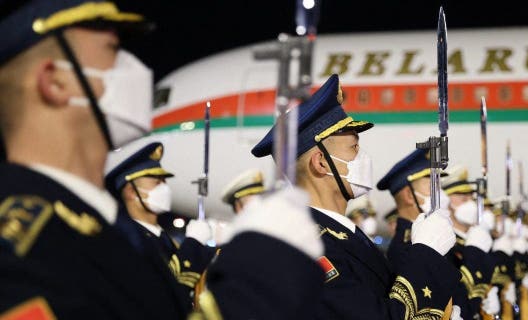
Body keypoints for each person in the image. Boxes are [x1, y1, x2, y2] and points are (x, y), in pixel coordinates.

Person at [0, 1, 324, 319]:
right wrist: (257, 286)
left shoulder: (105, 227)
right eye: (113, 51)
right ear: (55, 82)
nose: (135, 70)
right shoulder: (18, 248)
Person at [251, 74, 459, 319]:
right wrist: (426, 252)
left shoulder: (345, 235)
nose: (363, 158)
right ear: (321, 163)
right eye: (353, 148)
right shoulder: (306, 247)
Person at [105, 141, 215, 306]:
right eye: (157, 183)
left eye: (164, 182)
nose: (164, 188)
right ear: (131, 192)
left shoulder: (166, 239)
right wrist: (193, 244)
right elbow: (161, 292)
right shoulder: (125, 240)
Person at [441, 165, 497, 319]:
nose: (469, 202)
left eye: (470, 197)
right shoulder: (445, 243)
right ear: (445, 200)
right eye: (461, 197)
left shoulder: (476, 238)